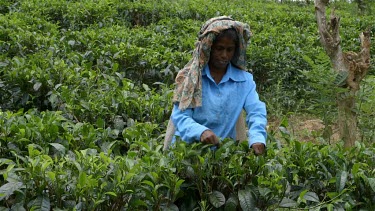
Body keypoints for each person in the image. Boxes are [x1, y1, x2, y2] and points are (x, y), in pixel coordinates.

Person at [164, 16, 267, 155]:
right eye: (219, 49)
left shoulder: (244, 81)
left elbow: (256, 110)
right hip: (187, 154)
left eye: (229, 50)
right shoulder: (191, 77)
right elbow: (180, 116)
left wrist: (257, 138)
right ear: (209, 48)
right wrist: (201, 132)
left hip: (223, 153)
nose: (224, 55)